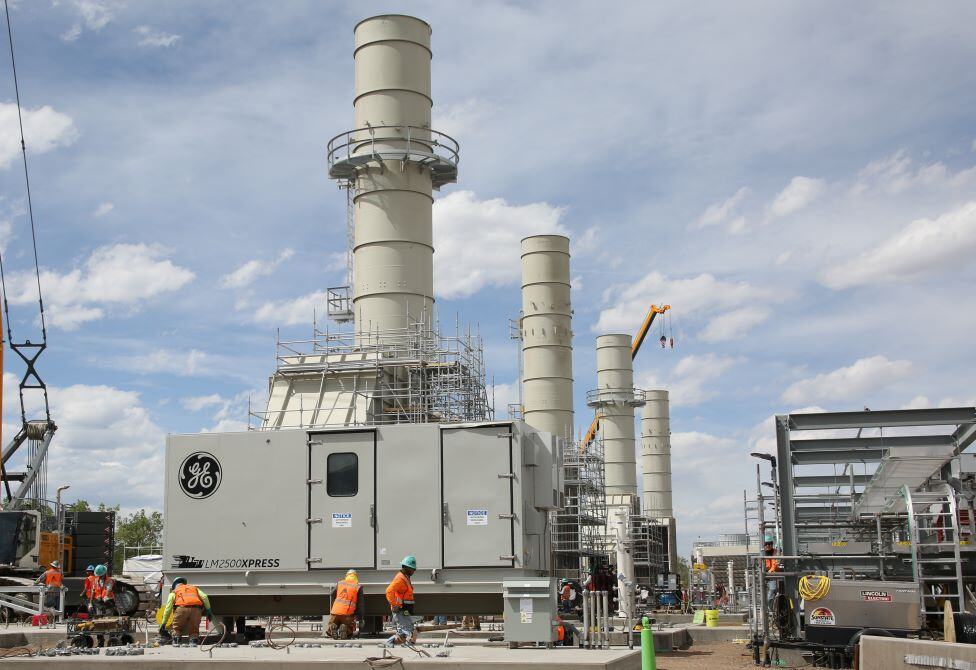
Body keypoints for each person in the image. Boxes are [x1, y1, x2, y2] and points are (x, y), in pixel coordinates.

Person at [159, 577, 214, 643]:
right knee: (194, 629)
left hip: (181, 609)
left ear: (174, 585)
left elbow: (168, 609)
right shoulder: (194, 588)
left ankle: (176, 641)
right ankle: (193, 641)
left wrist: (163, 623)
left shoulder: (174, 592)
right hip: (196, 610)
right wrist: (208, 611)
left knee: (177, 628)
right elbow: (204, 596)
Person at [384, 555, 417, 647]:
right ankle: (409, 646)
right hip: (400, 609)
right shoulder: (400, 579)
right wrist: (394, 604)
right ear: (406, 568)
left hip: (404, 609)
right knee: (409, 629)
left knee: (403, 631)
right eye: (412, 569)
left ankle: (389, 643)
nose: (414, 571)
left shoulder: (405, 577)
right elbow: (389, 591)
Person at [327, 569, 364, 639]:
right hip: (347, 614)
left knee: (333, 623)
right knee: (349, 630)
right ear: (356, 577)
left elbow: (332, 594)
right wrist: (360, 619)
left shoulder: (340, 583)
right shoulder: (358, 587)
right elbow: (360, 605)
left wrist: (333, 608)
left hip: (335, 612)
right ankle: (345, 629)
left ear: (346, 576)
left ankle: (333, 627)